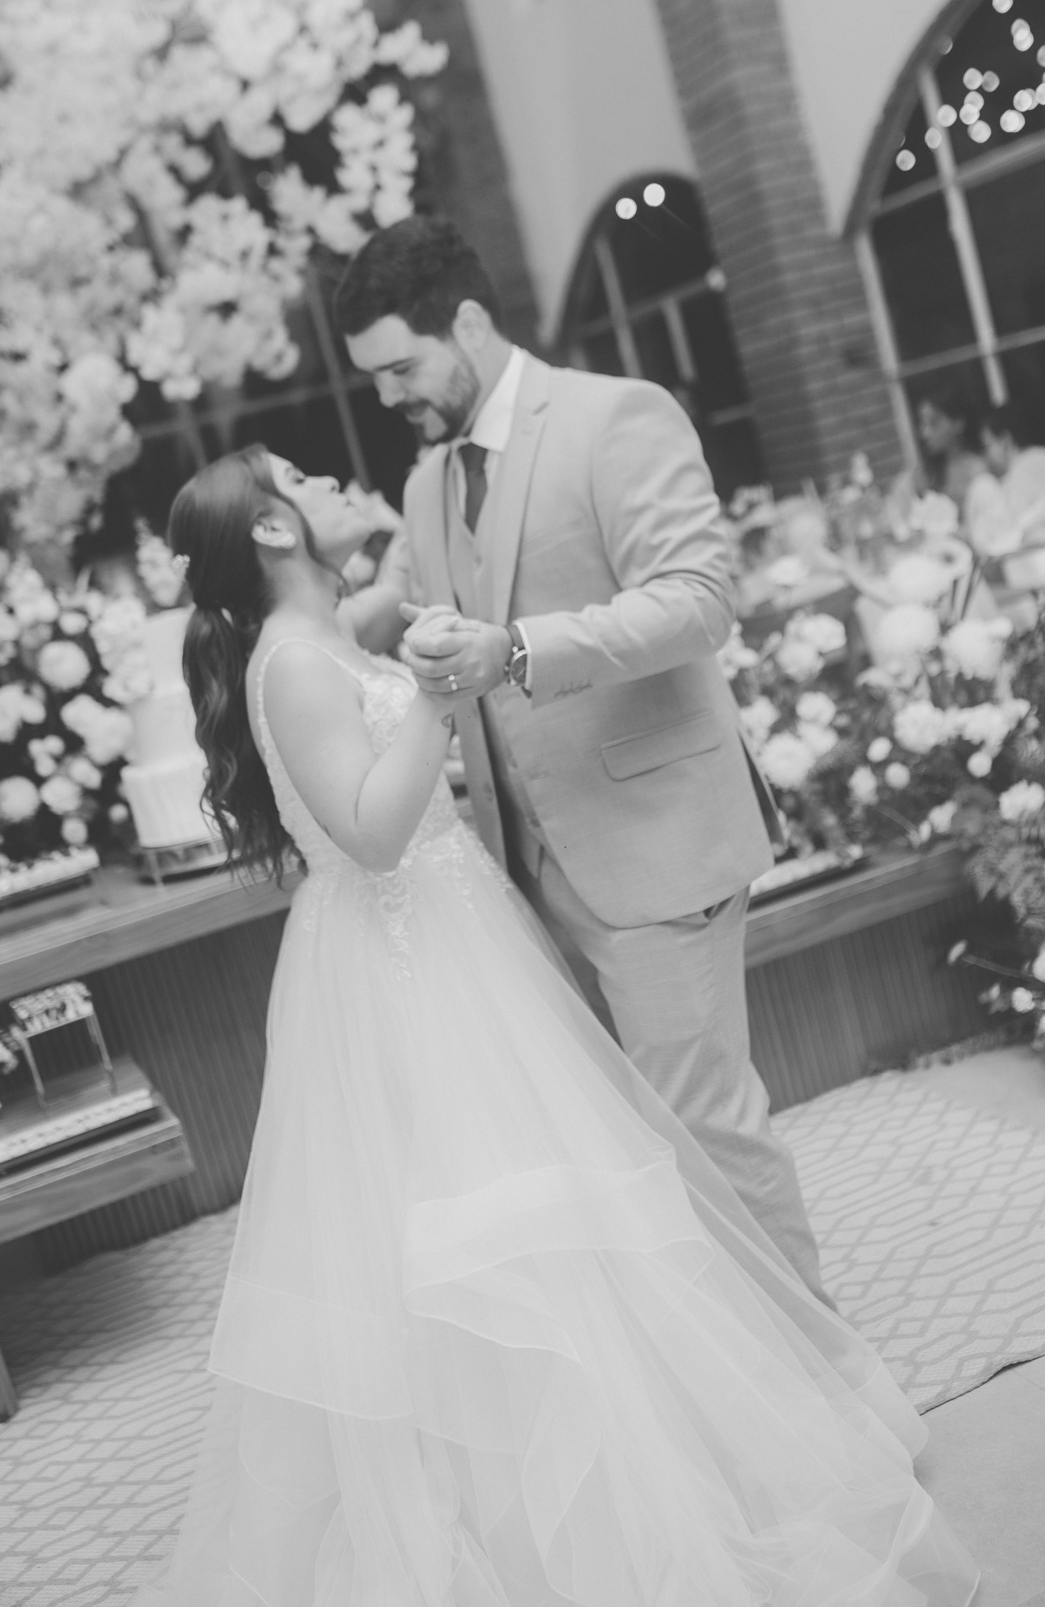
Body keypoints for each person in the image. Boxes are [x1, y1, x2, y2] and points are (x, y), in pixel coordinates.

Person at [134, 443, 977, 1603]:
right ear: (272, 529)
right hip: (408, 966)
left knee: (563, 1215)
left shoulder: (323, 634)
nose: (328, 480)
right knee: (487, 1237)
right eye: (305, 480)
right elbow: (371, 834)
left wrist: (422, 613)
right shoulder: (292, 665)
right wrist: (439, 701)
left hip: (453, 931)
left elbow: (398, 598)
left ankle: (636, 1485)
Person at [334, 215, 826, 1304]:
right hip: (528, 868)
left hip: (654, 842)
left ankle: (832, 1381)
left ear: (468, 322)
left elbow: (698, 601)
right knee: (629, 1152)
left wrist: (513, 649)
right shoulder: (426, 480)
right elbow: (413, 604)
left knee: (708, 1131)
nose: (387, 396)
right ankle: (733, 1367)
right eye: (371, 379)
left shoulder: (617, 417)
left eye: (401, 369)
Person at [887, 392, 989, 537]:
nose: (925, 433)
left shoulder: (979, 469)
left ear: (958, 423)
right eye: (922, 423)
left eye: (934, 423)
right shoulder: (924, 475)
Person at [971, 396, 1045, 557]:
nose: (987, 456)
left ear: (1005, 441)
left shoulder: (1021, 471)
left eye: (988, 445)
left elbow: (1012, 533)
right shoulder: (1039, 456)